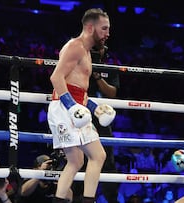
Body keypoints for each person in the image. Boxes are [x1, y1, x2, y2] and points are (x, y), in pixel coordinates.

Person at [47, 8, 116, 203]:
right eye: (104, 29)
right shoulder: (75, 46)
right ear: (90, 27)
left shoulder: (85, 52)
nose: (107, 34)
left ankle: (61, 200)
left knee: (76, 161)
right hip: (65, 107)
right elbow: (56, 77)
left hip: (76, 106)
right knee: (97, 155)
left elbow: (79, 89)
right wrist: (70, 106)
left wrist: (95, 108)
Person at [89, 43, 120, 203]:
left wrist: (97, 76)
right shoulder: (81, 64)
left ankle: (111, 200)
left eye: (99, 49)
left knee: (107, 161)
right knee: (81, 160)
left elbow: (112, 93)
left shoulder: (110, 68)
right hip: (82, 116)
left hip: (103, 119)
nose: (97, 52)